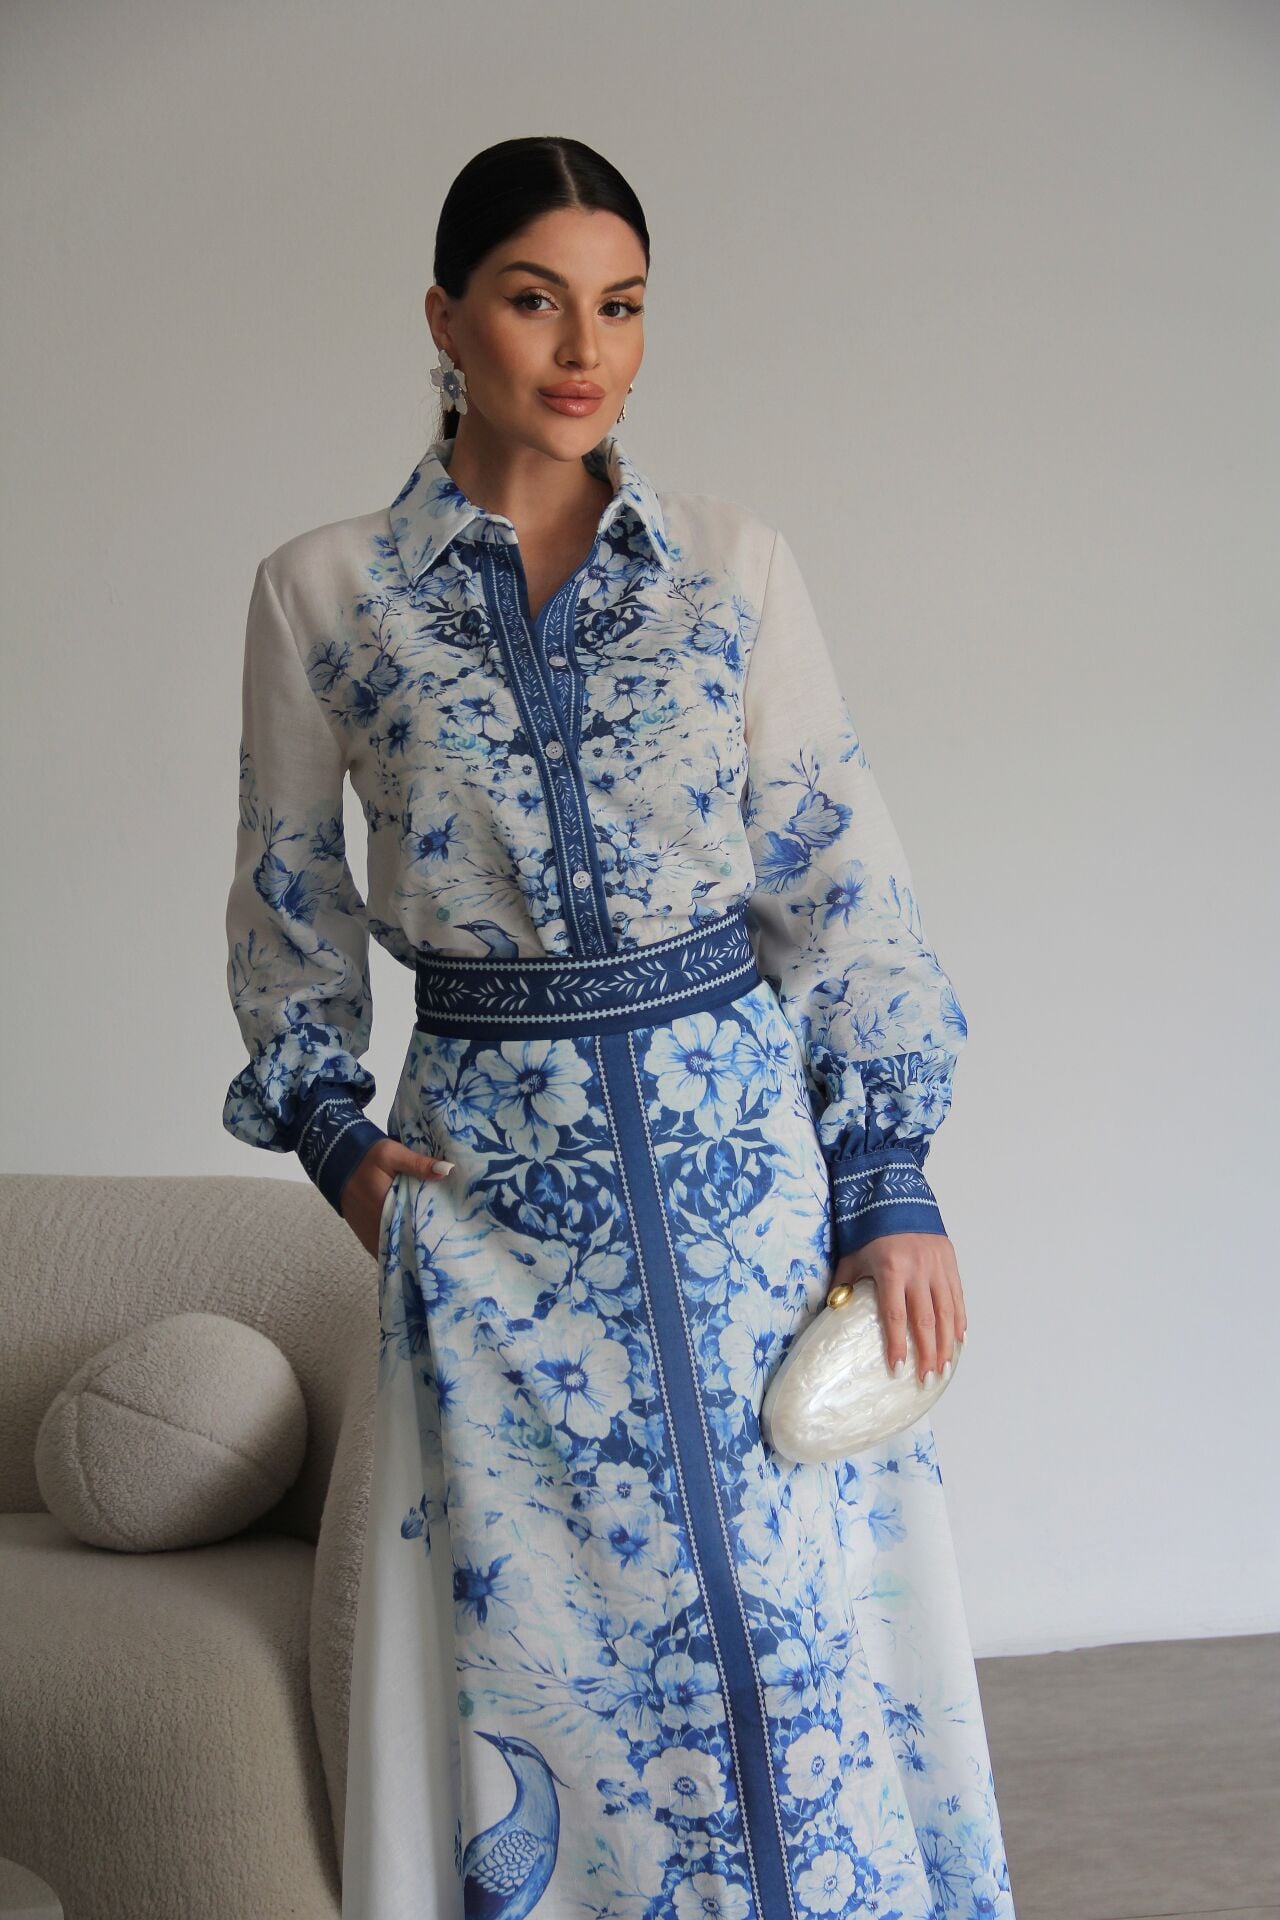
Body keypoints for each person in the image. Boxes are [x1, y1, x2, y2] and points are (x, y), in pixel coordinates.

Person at [222, 135, 1016, 1920]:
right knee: (550, 1692)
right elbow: (286, 904)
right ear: (446, 319)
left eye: (624, 305)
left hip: (751, 1206)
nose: (587, 349)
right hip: (491, 1228)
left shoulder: (732, 569)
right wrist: (344, 1152)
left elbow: (837, 876)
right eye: (536, 300)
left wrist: (888, 1178)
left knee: (799, 1644)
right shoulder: (325, 593)